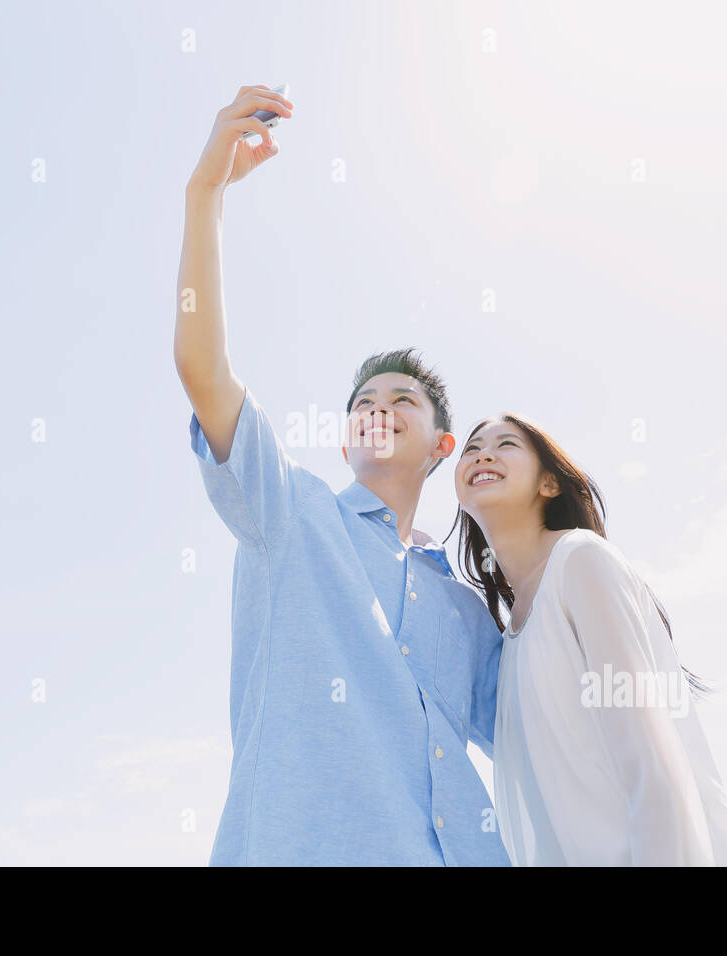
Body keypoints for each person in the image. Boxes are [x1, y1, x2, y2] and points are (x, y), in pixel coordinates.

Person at [175, 84, 511, 865]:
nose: (381, 407)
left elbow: (549, 735)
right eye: (365, 401)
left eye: (404, 400)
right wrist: (206, 197)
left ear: (442, 446)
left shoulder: (465, 614)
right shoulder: (290, 516)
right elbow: (203, 367)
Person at [452, 414, 727, 866]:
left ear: (549, 484)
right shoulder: (510, 640)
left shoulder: (581, 562)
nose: (483, 454)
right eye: (471, 448)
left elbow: (656, 771)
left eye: (506, 444)